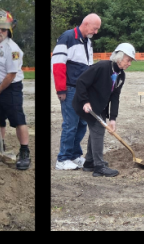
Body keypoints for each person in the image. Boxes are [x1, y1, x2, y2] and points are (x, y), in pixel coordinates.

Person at [73, 43, 134, 177]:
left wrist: (113, 118)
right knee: (98, 130)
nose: (129, 63)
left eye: (131, 61)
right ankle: (99, 166)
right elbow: (81, 81)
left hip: (99, 106)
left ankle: (89, 162)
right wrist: (85, 101)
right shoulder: (102, 67)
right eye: (128, 59)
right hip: (85, 104)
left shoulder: (120, 76)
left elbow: (115, 97)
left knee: (96, 131)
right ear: (119, 57)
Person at [0, 9, 31, 171]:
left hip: (11, 87)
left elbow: (11, 74)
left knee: (17, 120)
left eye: (2, 29)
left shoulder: (13, 50)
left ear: (9, 30)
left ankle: (24, 151)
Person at [51, 13, 101, 171]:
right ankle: (63, 158)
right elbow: (58, 63)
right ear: (86, 24)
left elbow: (89, 66)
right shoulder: (67, 37)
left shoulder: (88, 41)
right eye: (95, 28)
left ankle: (74, 154)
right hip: (70, 88)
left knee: (82, 123)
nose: (96, 32)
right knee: (70, 124)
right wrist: (61, 88)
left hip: (83, 90)